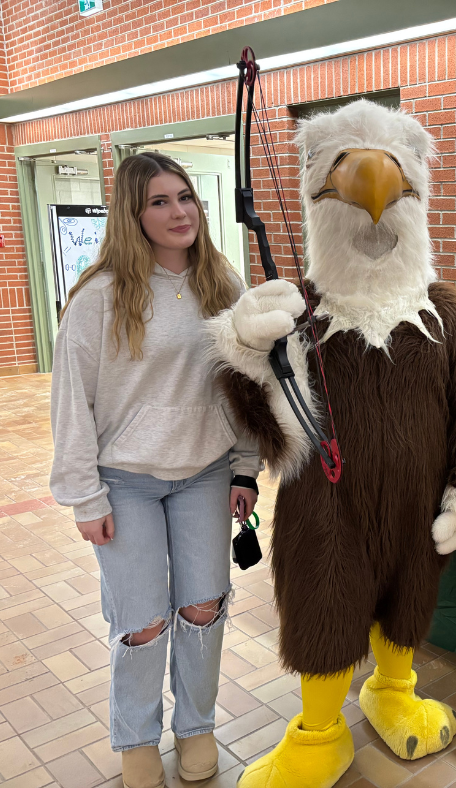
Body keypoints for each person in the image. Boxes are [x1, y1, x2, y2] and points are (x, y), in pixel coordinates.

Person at [50, 152, 261, 788]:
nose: (179, 213)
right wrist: (86, 497)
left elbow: (246, 385)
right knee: (141, 621)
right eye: (159, 202)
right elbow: (72, 401)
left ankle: (195, 726)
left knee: (203, 607)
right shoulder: (99, 297)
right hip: (125, 481)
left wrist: (245, 468)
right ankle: (137, 737)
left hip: (204, 473)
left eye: (186, 197)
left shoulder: (225, 286)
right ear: (133, 215)